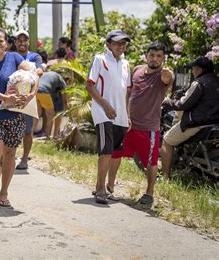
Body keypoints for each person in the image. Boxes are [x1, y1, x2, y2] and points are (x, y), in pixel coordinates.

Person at [108, 43, 173, 205]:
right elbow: (128, 92)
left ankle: (149, 193)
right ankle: (109, 187)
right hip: (128, 123)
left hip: (148, 128)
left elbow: (168, 79)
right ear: (146, 55)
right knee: (116, 154)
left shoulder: (163, 75)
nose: (155, 59)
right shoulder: (137, 69)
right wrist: (125, 115)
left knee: (151, 161)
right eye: (152, 55)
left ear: (163, 59)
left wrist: (168, 74)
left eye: (159, 56)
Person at [0, 27, 36, 211]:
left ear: (7, 43)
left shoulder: (15, 58)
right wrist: (5, 98)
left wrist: (30, 94)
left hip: (14, 115)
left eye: (0, 41)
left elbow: (32, 75)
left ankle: (4, 193)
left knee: (10, 154)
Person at [86, 29, 131, 204]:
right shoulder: (100, 60)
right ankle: (100, 189)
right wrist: (105, 105)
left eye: (123, 43)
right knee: (106, 151)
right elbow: (89, 86)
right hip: (103, 112)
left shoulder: (126, 63)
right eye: (117, 42)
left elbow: (127, 92)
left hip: (120, 115)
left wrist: (127, 114)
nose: (121, 46)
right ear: (108, 44)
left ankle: (109, 187)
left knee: (117, 153)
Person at [160, 55, 219, 179]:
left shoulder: (198, 83)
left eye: (194, 68)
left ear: (200, 69)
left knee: (167, 140)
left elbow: (183, 104)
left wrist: (169, 102)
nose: (192, 71)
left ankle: (165, 177)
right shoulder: (215, 80)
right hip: (213, 122)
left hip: (197, 122)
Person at [13, 29, 42, 171]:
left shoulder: (35, 56)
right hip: (12, 97)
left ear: (28, 42)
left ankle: (24, 159)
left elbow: (40, 71)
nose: (22, 42)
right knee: (10, 128)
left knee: (28, 130)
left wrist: (30, 74)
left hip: (29, 98)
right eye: (19, 40)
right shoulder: (10, 56)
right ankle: (8, 156)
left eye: (25, 40)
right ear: (15, 42)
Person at [32, 71, 67, 140]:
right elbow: (64, 97)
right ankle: (47, 136)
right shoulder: (61, 79)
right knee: (50, 114)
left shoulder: (48, 74)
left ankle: (30, 134)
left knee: (37, 114)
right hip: (44, 91)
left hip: (35, 91)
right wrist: (66, 106)